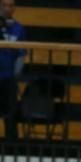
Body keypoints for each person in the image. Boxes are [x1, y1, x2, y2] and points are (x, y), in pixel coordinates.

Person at [0, 0, 26, 140]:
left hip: (8, 78)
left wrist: (16, 74)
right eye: (4, 5)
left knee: (10, 114)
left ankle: (12, 147)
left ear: (14, 8)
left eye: (10, 5)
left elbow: (22, 53)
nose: (7, 8)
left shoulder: (19, 29)